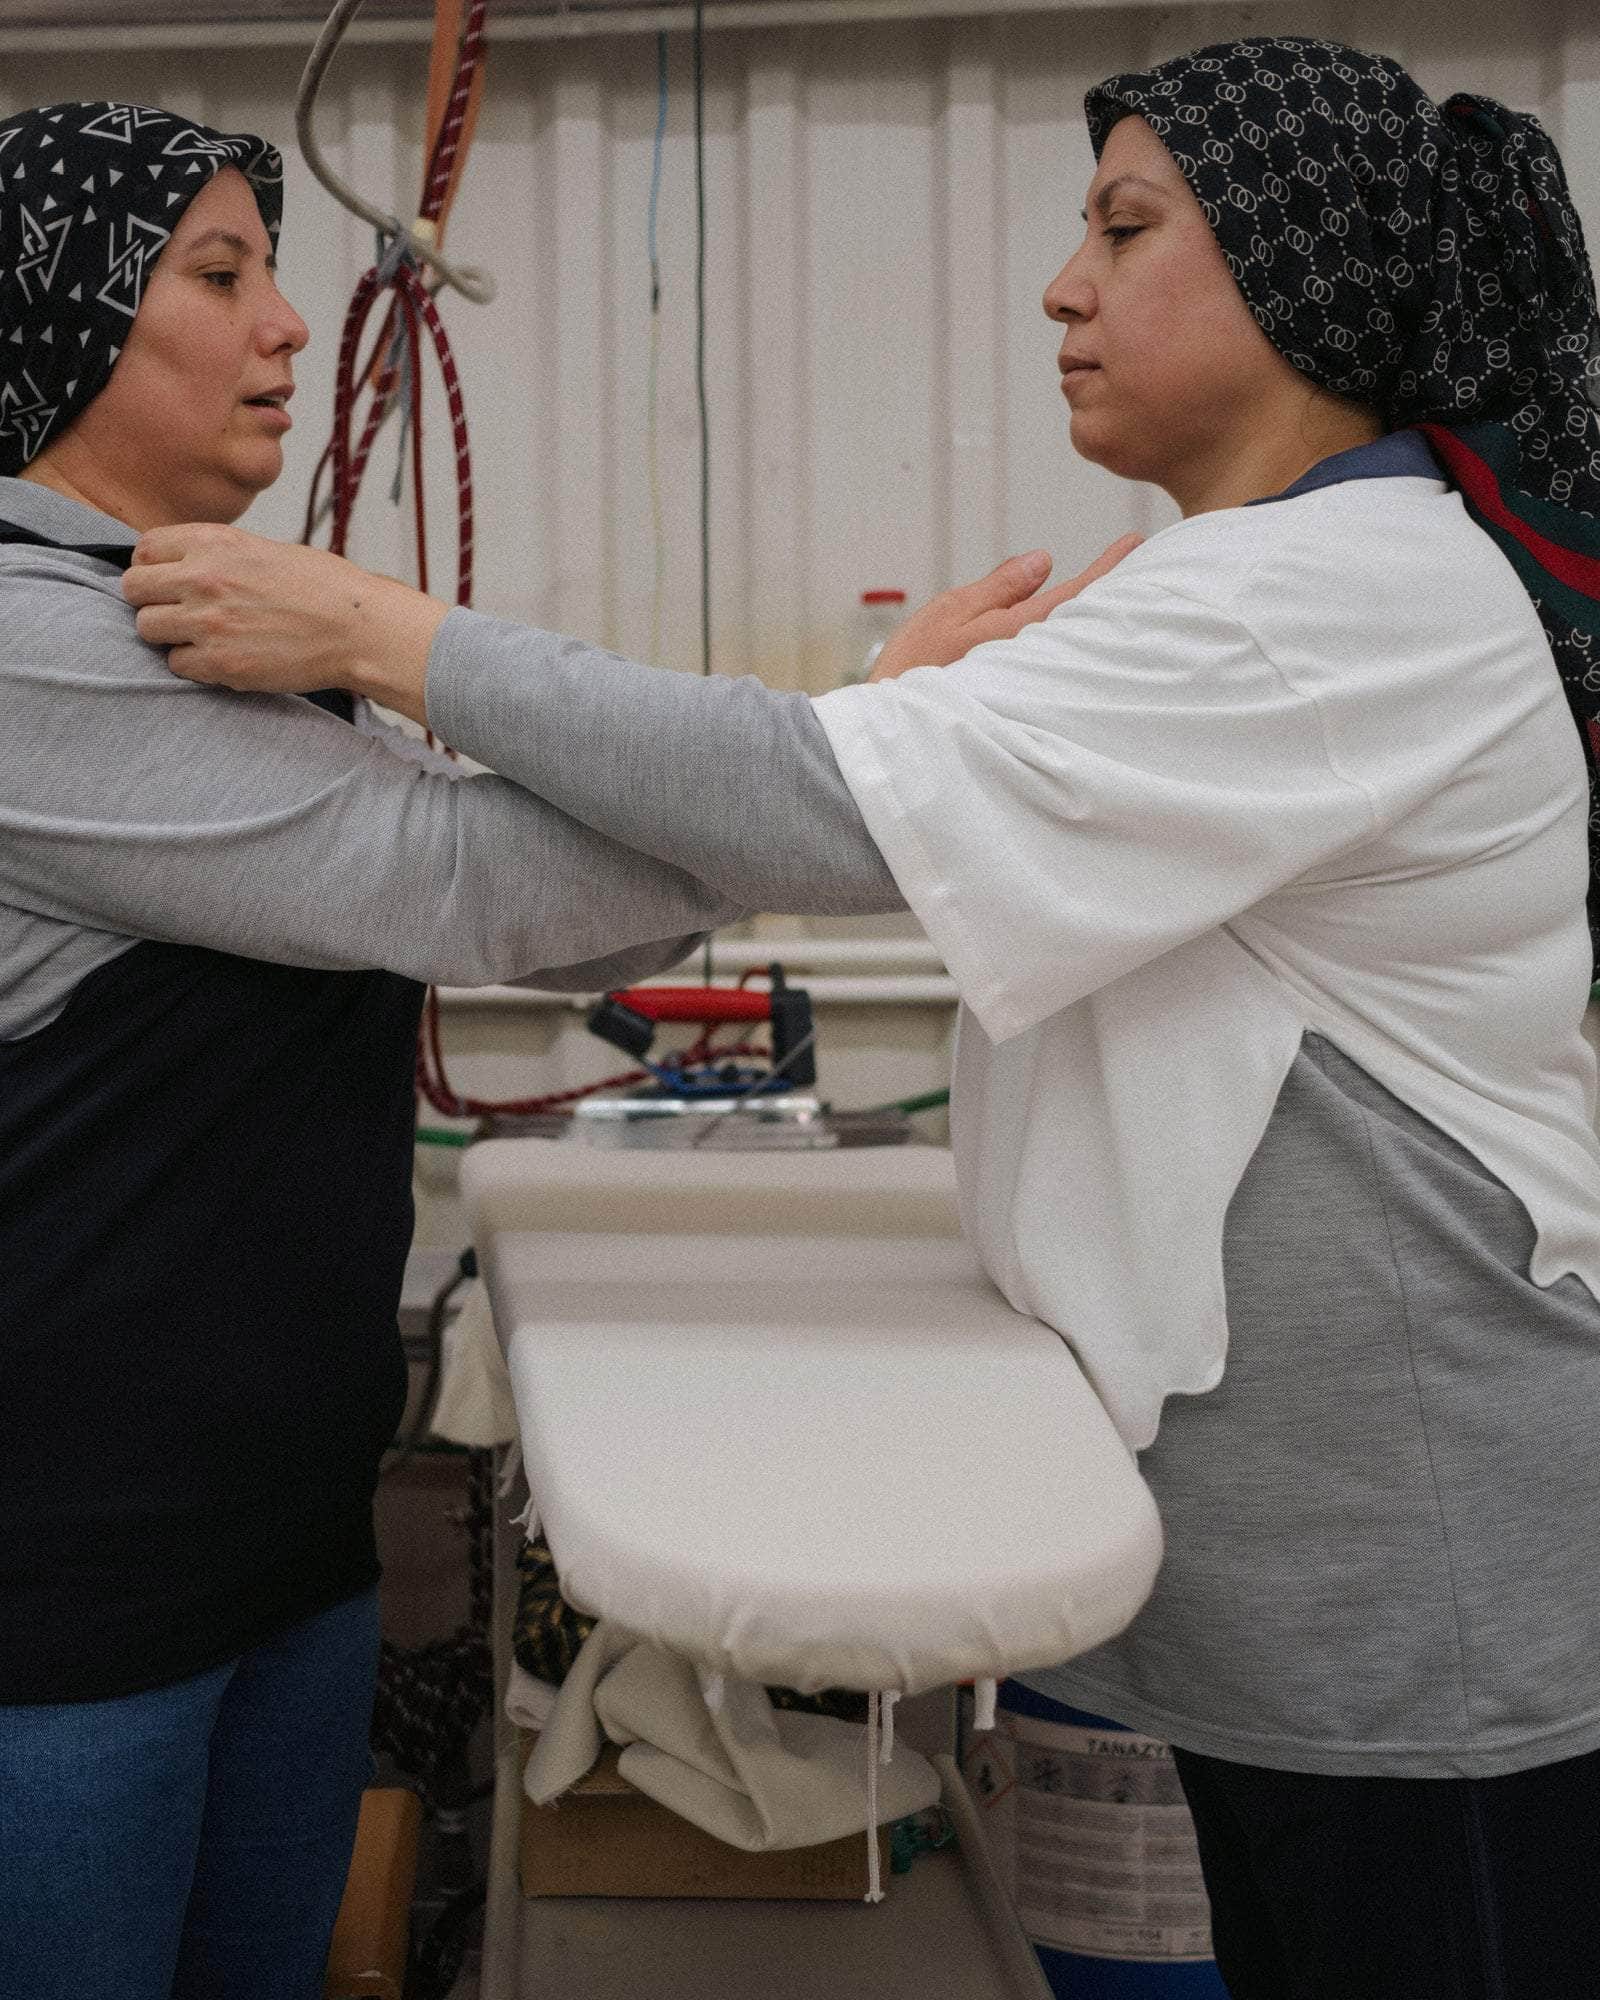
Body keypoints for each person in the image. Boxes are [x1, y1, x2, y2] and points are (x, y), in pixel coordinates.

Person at [133, 37, 1600, 1999]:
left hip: (1412, 1588)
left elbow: (811, 806)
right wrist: (872, 727)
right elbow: (835, 792)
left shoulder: (1322, 596)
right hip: (1294, 1566)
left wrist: (379, 635)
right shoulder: (1259, 583)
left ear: (1296, 267)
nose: (1061, 286)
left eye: (1123, 229)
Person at [0, 100, 1118, 1999]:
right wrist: (866, 750)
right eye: (219, 272)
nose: (288, 320)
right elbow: (469, 881)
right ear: (68, 314)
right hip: (63, 1587)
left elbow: (563, 909)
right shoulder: (36, 648)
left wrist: (839, 767)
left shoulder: (187, 618)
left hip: (275, 1536)